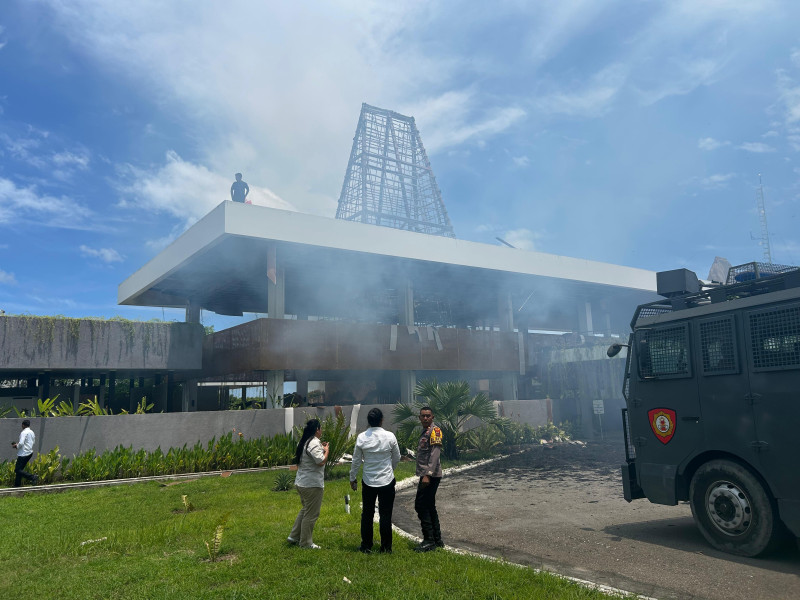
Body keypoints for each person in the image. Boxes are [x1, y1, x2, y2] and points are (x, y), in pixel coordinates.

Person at [349, 408, 401, 554]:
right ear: (381, 420)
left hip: (368, 481)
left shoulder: (362, 437)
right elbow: (397, 457)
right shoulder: (390, 436)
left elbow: (356, 460)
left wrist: (352, 478)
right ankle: (386, 547)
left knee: (367, 514)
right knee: (385, 515)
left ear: (369, 421)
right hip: (387, 480)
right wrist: (390, 469)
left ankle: (366, 545)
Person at [288, 419, 328, 549]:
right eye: (321, 429)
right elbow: (320, 461)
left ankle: (294, 536)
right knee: (311, 514)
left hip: (302, 482)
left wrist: (321, 448)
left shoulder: (305, 441)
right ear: (317, 429)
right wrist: (326, 450)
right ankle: (305, 543)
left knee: (306, 509)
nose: (321, 431)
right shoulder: (313, 443)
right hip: (311, 485)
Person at [414, 406, 443, 552]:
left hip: (430, 476)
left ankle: (429, 540)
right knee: (429, 505)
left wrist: (428, 474)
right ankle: (437, 539)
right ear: (419, 417)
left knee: (421, 505)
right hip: (426, 474)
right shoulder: (425, 431)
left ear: (433, 417)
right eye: (423, 416)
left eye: (428, 416)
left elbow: (435, 454)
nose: (425, 418)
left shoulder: (435, 431)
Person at [12, 419, 38, 487]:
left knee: (17, 470)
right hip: (29, 452)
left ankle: (32, 477)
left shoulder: (23, 432)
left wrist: (16, 446)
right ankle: (17, 485)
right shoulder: (32, 432)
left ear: (23, 425)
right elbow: (33, 442)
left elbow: (21, 443)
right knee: (20, 470)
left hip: (23, 453)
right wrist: (20, 445)